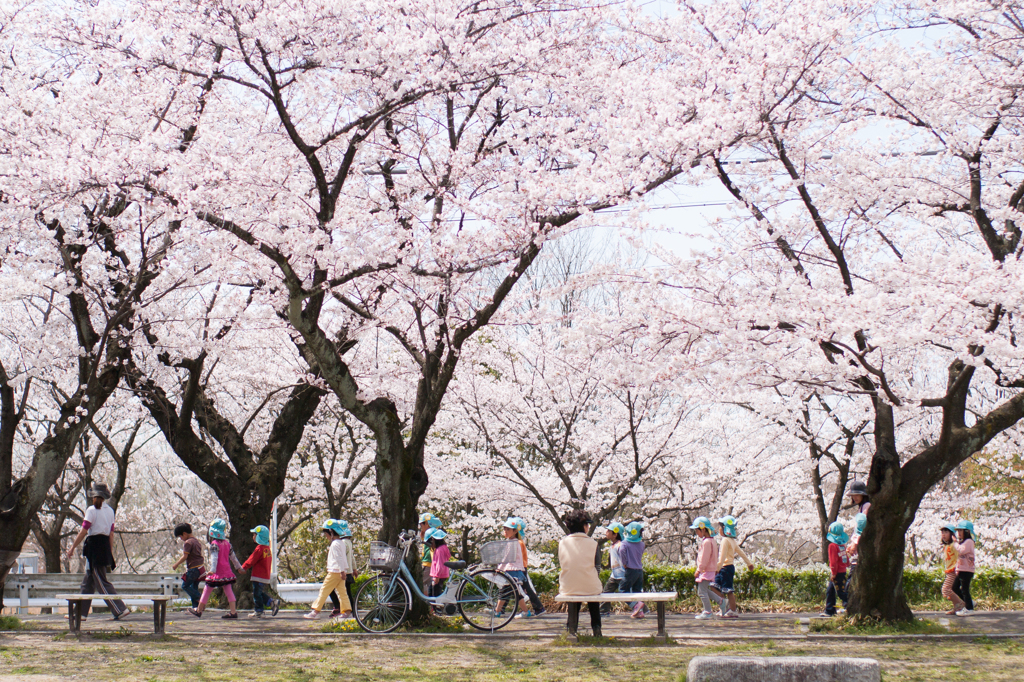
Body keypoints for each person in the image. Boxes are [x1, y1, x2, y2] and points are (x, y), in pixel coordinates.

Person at [64, 483, 129, 621]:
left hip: (94, 547)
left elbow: (84, 531)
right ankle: (80, 613)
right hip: (104, 545)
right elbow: (111, 533)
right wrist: (109, 551)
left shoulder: (91, 511)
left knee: (100, 580)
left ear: (93, 496)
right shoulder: (110, 511)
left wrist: (72, 547)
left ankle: (120, 609)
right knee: (88, 582)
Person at [557, 509, 603, 637]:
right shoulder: (593, 543)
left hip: (568, 586)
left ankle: (571, 629)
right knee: (592, 595)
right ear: (584, 526)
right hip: (590, 586)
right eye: (587, 524)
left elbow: (563, 563)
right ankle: (597, 629)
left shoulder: (562, 543)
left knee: (574, 595)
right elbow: (597, 567)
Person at [188, 518, 242, 618]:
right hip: (227, 572)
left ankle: (199, 610)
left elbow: (214, 558)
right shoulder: (227, 544)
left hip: (217, 573)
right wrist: (239, 567)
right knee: (229, 591)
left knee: (207, 589)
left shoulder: (214, 545)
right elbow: (233, 558)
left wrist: (212, 570)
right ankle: (234, 612)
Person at [304, 519, 351, 620]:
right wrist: (343, 571)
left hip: (334, 571)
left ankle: (315, 611)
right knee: (342, 592)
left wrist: (342, 570)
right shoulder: (341, 543)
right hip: (340, 572)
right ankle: (346, 611)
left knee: (324, 590)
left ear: (331, 532)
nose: (326, 537)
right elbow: (343, 558)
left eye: (326, 534)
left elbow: (338, 558)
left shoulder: (334, 544)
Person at [712, 515, 754, 619]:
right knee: (715, 586)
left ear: (725, 529)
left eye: (720, 528)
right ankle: (724, 607)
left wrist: (717, 568)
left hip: (725, 568)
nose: (719, 530)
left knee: (728, 590)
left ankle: (733, 610)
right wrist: (749, 563)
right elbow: (741, 553)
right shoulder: (732, 541)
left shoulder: (725, 540)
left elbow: (722, 557)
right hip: (727, 567)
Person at [241, 525, 279, 618]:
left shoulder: (259, 548)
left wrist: (244, 567)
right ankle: (271, 602)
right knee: (259, 593)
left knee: (257, 594)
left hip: (258, 576)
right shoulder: (267, 549)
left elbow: (252, 559)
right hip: (265, 576)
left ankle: (259, 611)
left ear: (259, 537)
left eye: (254, 535)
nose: (253, 537)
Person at [690, 517, 723, 620]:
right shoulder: (711, 541)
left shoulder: (706, 542)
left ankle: (708, 611)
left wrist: (699, 569)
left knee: (701, 592)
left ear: (703, 529)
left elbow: (705, 558)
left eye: (697, 530)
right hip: (709, 569)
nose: (697, 533)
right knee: (704, 590)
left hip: (706, 570)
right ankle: (721, 601)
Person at [171, 523, 205, 609]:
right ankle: (196, 608)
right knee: (194, 587)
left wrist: (176, 564)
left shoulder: (188, 543)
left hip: (193, 569)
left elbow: (185, 556)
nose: (181, 539)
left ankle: (200, 598)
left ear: (185, 533)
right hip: (200, 569)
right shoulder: (196, 541)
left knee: (185, 586)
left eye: (180, 536)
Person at [618, 520, 647, 618]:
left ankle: (635, 605)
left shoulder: (624, 544)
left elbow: (621, 551)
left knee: (622, 590)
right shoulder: (642, 544)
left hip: (630, 570)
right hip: (639, 570)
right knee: (637, 591)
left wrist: (624, 563)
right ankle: (640, 612)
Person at [821, 521, 850, 617]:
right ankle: (830, 610)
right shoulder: (842, 545)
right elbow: (845, 558)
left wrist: (833, 573)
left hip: (837, 573)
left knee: (840, 592)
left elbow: (833, 561)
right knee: (831, 590)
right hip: (842, 572)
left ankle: (851, 604)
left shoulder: (832, 546)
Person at [600, 522, 626, 616]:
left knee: (628, 594)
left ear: (615, 534)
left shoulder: (620, 546)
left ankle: (641, 608)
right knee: (606, 592)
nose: (606, 532)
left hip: (622, 575)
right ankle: (603, 611)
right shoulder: (614, 545)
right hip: (615, 575)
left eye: (608, 531)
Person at [953, 520, 976, 616]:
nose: (958, 533)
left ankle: (969, 608)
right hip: (962, 570)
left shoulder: (969, 542)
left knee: (964, 589)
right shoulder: (962, 542)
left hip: (967, 570)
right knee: (954, 587)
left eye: (960, 531)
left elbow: (961, 551)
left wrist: (954, 543)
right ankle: (970, 602)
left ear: (967, 532)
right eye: (957, 531)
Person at [418, 513, 443, 595]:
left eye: (422, 523)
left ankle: (428, 602)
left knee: (420, 584)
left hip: (429, 565)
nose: (420, 525)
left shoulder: (431, 537)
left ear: (427, 524)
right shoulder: (430, 535)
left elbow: (433, 552)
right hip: (428, 565)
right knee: (427, 586)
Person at [425, 528, 451, 597]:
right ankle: (436, 607)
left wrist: (437, 576)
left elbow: (440, 564)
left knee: (433, 594)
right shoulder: (443, 548)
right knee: (434, 592)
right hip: (441, 574)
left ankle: (436, 607)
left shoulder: (439, 550)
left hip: (438, 575)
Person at [846, 513, 867, 587]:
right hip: (862, 562)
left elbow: (854, 547)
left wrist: (852, 547)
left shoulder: (858, 536)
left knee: (849, 585)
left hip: (856, 562)